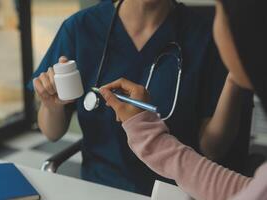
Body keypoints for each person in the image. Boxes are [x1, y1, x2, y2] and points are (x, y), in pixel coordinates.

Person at [29, 0, 238, 195]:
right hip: (98, 189)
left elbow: (213, 149)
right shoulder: (81, 28)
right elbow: (52, 133)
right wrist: (51, 106)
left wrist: (235, 80)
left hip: (174, 191)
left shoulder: (205, 36)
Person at [99, 0, 267, 199]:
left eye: (219, 11)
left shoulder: (200, 35)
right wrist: (146, 133)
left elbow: (216, 151)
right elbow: (240, 188)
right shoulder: (82, 26)